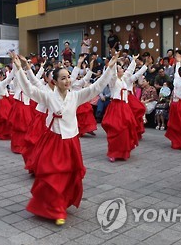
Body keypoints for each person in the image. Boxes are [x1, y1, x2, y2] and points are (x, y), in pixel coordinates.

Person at [12, 51, 117, 226]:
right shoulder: (47, 96)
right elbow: (29, 89)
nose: (67, 80)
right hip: (53, 141)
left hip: (71, 141)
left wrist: (110, 68)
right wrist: (18, 70)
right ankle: (56, 208)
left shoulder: (75, 96)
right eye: (63, 78)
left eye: (68, 77)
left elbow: (96, 88)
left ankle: (61, 203)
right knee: (52, 175)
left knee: (68, 175)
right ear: (54, 81)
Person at [101, 53, 138, 161]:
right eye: (120, 68)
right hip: (116, 107)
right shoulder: (113, 81)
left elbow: (130, 71)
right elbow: (112, 74)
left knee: (125, 130)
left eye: (121, 68)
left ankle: (123, 152)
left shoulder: (123, 79)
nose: (122, 70)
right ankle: (113, 152)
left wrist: (133, 61)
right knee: (115, 129)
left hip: (124, 106)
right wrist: (114, 61)